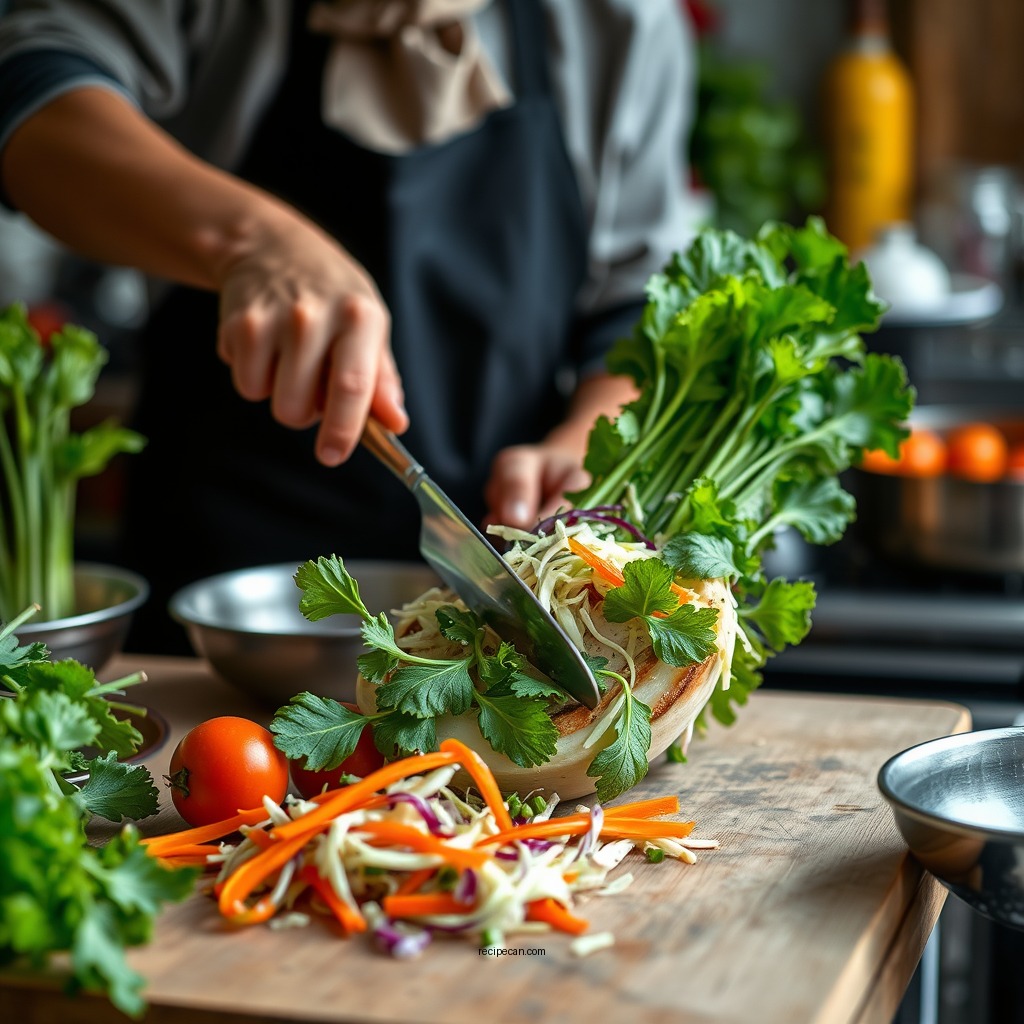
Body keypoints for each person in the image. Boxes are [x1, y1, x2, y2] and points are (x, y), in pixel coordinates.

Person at [0, 0, 700, 653]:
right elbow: (28, 86)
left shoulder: (622, 22)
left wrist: (587, 444)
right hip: (220, 607)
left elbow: (635, 311)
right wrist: (248, 241)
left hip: (499, 590)